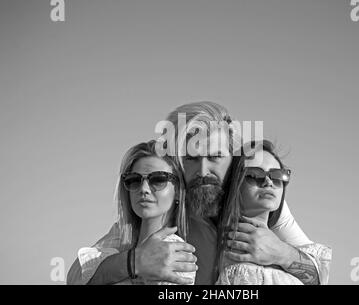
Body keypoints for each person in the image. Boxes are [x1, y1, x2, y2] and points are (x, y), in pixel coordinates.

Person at [67, 101, 331, 285]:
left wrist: (282, 253)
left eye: (215, 156)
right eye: (191, 159)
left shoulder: (259, 201)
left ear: (234, 158)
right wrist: (135, 261)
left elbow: (320, 276)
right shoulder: (161, 204)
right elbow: (77, 276)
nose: (203, 170)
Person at [77, 140, 195, 285]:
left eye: (158, 179)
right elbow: (75, 277)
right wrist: (133, 261)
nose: (143, 189)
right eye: (134, 180)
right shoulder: (121, 236)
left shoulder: (174, 252)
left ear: (177, 191)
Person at [216, 140, 323, 285]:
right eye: (254, 175)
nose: (269, 182)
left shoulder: (281, 228)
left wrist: (281, 253)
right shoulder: (231, 253)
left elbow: (320, 275)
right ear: (235, 184)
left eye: (278, 175)